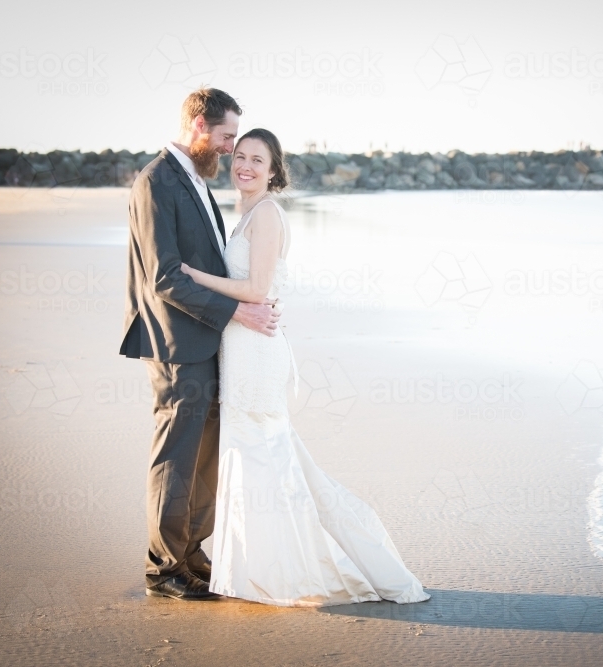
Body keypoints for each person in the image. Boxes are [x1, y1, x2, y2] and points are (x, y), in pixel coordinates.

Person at [181, 128, 430, 607]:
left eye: (258, 160)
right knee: (257, 460)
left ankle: (279, 574)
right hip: (242, 348)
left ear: (274, 172)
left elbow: (257, 289)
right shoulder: (244, 212)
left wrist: (194, 277)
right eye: (240, 157)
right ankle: (255, 570)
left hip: (256, 355)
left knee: (264, 459)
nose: (245, 165)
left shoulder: (268, 214)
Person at [120, 88, 280, 601]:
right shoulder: (156, 182)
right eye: (227, 136)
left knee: (203, 454)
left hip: (206, 341)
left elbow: (210, 268)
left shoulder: (196, 181)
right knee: (177, 455)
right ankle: (163, 567)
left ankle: (190, 552)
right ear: (198, 126)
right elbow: (165, 278)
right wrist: (239, 310)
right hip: (174, 343)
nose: (232, 149)